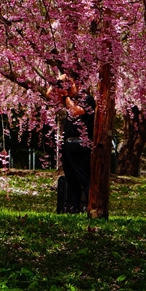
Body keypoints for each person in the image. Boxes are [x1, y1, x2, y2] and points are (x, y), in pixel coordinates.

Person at [52, 75, 95, 213]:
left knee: (84, 178)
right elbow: (49, 94)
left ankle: (91, 207)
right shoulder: (69, 100)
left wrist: (66, 97)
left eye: (69, 85)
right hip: (68, 145)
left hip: (81, 144)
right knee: (71, 179)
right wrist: (56, 82)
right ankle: (73, 208)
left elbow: (76, 111)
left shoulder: (87, 99)